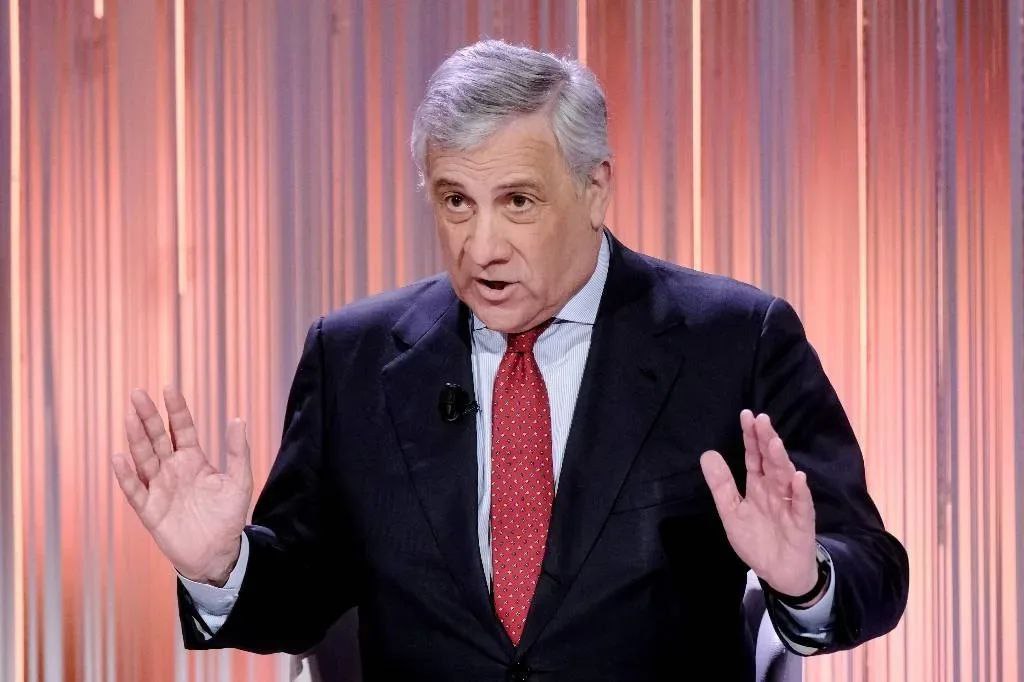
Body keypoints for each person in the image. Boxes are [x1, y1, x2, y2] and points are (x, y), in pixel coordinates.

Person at [112, 40, 908, 680]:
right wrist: (222, 566)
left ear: (595, 189)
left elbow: (873, 567)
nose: (481, 247)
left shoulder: (733, 340)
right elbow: (303, 597)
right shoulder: (352, 355)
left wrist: (805, 577)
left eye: (518, 202)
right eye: (456, 201)